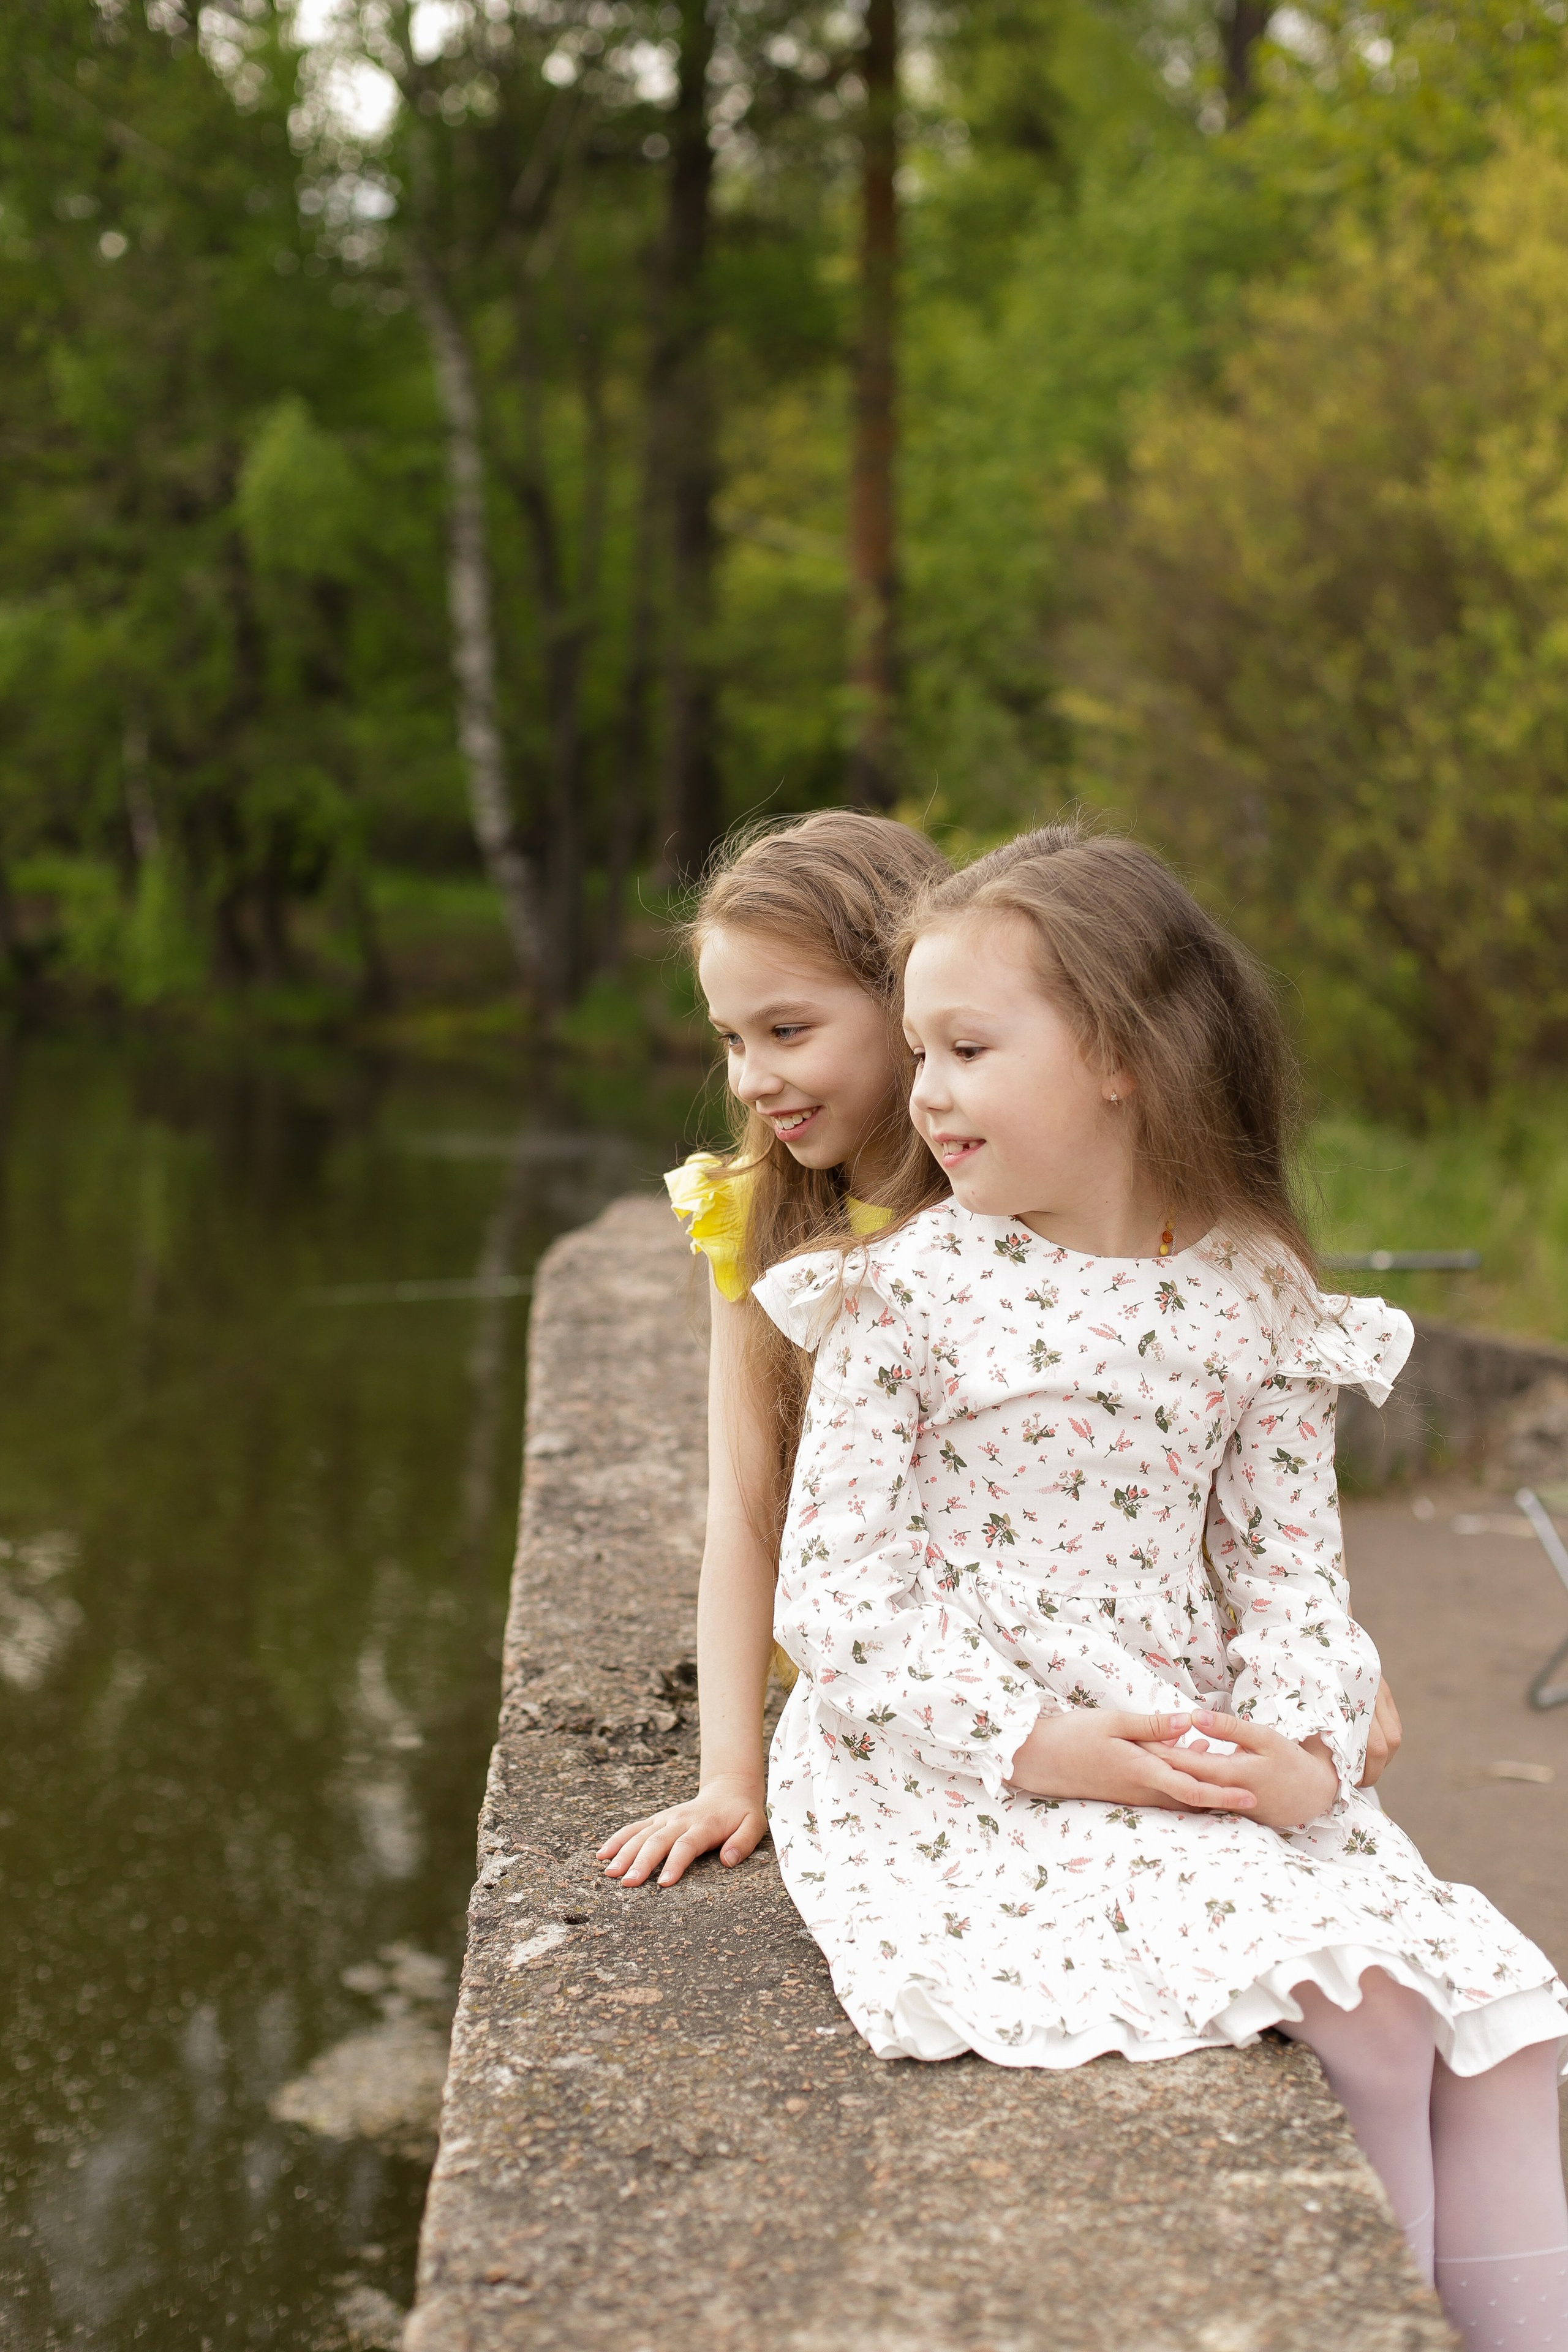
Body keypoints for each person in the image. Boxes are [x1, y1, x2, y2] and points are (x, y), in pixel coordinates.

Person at [749, 826, 1568, 2351]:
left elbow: (1292, 1578)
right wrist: (1040, 1743)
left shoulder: (1251, 1290)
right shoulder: (908, 1293)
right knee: (1372, 2028)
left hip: (1188, 1743)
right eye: (917, 1049)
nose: (922, 1094)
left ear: (1122, 1055)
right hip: (960, 1763)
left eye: (968, 1048)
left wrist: (1305, 1749)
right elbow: (834, 1594)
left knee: (1504, 2030)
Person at [597, 810, 951, 1891]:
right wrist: (728, 1778)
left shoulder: (1023, 1207)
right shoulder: (753, 1219)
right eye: (731, 1040)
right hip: (870, 1678)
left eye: (788, 1032)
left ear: (913, 1007)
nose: (751, 1078)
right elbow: (748, 1513)